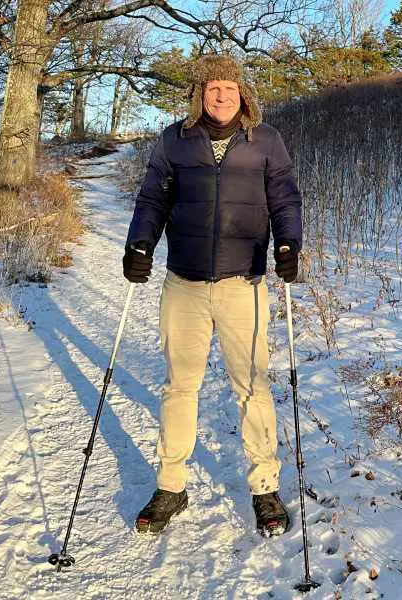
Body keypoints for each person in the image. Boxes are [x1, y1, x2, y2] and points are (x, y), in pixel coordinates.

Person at [122, 54, 302, 537]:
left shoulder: (266, 140)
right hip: (184, 283)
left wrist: (289, 243)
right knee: (180, 387)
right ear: (199, 94)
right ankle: (171, 485)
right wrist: (140, 243)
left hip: (244, 283)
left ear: (244, 94)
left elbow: (285, 197)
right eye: (212, 88)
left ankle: (264, 487)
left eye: (229, 87)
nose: (221, 96)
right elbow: (152, 199)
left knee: (253, 387)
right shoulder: (174, 141)